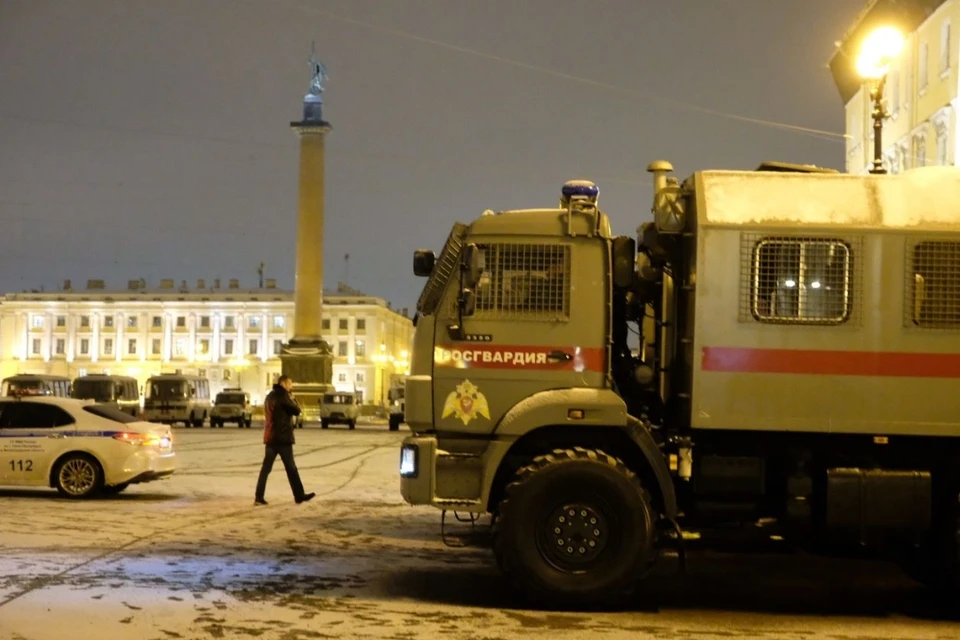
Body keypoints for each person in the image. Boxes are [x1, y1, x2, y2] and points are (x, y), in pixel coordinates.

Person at [254, 375, 315, 506]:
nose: (291, 386)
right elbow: (297, 411)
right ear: (283, 383)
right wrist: (293, 398)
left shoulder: (270, 396)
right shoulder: (283, 396)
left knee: (266, 469)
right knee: (291, 468)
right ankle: (299, 495)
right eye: (290, 384)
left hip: (270, 437)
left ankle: (259, 496)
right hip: (282, 438)